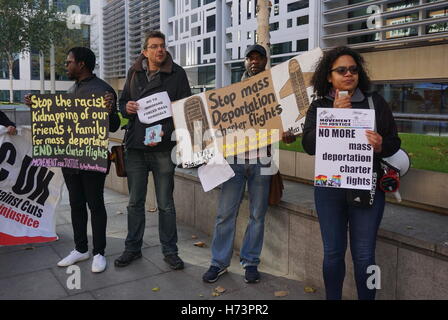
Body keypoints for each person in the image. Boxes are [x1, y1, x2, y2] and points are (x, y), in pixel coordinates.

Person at [302, 46, 401, 300]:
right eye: (342, 70)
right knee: (333, 252)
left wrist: (380, 144)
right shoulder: (320, 105)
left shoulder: (374, 101)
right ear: (329, 76)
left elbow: (394, 141)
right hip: (329, 189)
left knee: (366, 254)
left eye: (354, 70)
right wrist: (335, 115)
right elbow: (309, 146)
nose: (349, 74)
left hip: (366, 186)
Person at [202, 44, 294, 284]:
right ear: (245, 62)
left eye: (258, 57)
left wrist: (288, 133)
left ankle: (250, 262)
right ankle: (218, 263)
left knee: (257, 215)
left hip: (262, 162)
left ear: (265, 61)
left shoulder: (275, 90)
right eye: (250, 58)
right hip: (234, 161)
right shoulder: (232, 92)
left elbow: (286, 122)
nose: (254, 61)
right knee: (224, 214)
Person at [25, 47, 120, 273]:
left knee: (95, 205)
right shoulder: (72, 89)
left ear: (81, 64)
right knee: (76, 204)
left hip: (92, 158)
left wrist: (109, 110)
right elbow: (60, 120)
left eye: (69, 62)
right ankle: (80, 248)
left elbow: (115, 126)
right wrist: (38, 108)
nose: (66, 66)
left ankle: (99, 253)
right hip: (70, 159)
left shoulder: (104, 91)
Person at [114, 31, 191, 269]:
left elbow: (184, 109)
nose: (160, 50)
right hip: (136, 148)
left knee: (166, 203)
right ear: (145, 52)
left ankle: (170, 251)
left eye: (162, 46)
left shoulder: (177, 74)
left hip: (163, 148)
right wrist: (125, 107)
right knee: (134, 202)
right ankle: (132, 248)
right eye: (154, 46)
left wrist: (165, 132)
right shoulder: (134, 72)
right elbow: (122, 102)